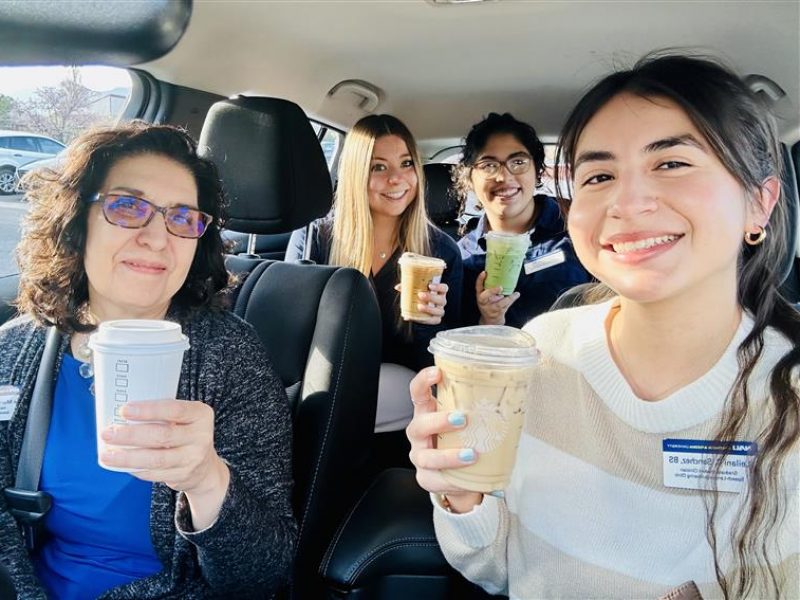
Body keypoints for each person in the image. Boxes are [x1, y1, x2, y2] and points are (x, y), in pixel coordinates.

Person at [406, 54, 799, 598]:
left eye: (672, 164)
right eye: (599, 175)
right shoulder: (541, 352)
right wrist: (460, 493)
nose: (627, 202)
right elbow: (502, 571)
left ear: (761, 202)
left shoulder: (787, 396)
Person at [0, 122, 296, 599]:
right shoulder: (13, 353)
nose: (158, 238)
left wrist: (206, 480)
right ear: (77, 222)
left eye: (182, 218)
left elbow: (261, 576)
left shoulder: (232, 359)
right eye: (128, 206)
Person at [286, 114, 462, 434]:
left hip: (400, 396)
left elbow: (443, 371)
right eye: (378, 167)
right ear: (355, 174)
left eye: (407, 163)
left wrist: (428, 324)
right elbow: (291, 339)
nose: (397, 179)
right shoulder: (316, 238)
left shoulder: (442, 252)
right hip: (322, 380)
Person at [454, 113, 590, 327]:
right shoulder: (461, 255)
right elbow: (463, 341)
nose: (504, 177)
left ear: (537, 171)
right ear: (470, 178)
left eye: (518, 162)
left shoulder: (576, 226)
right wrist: (489, 319)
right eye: (489, 165)